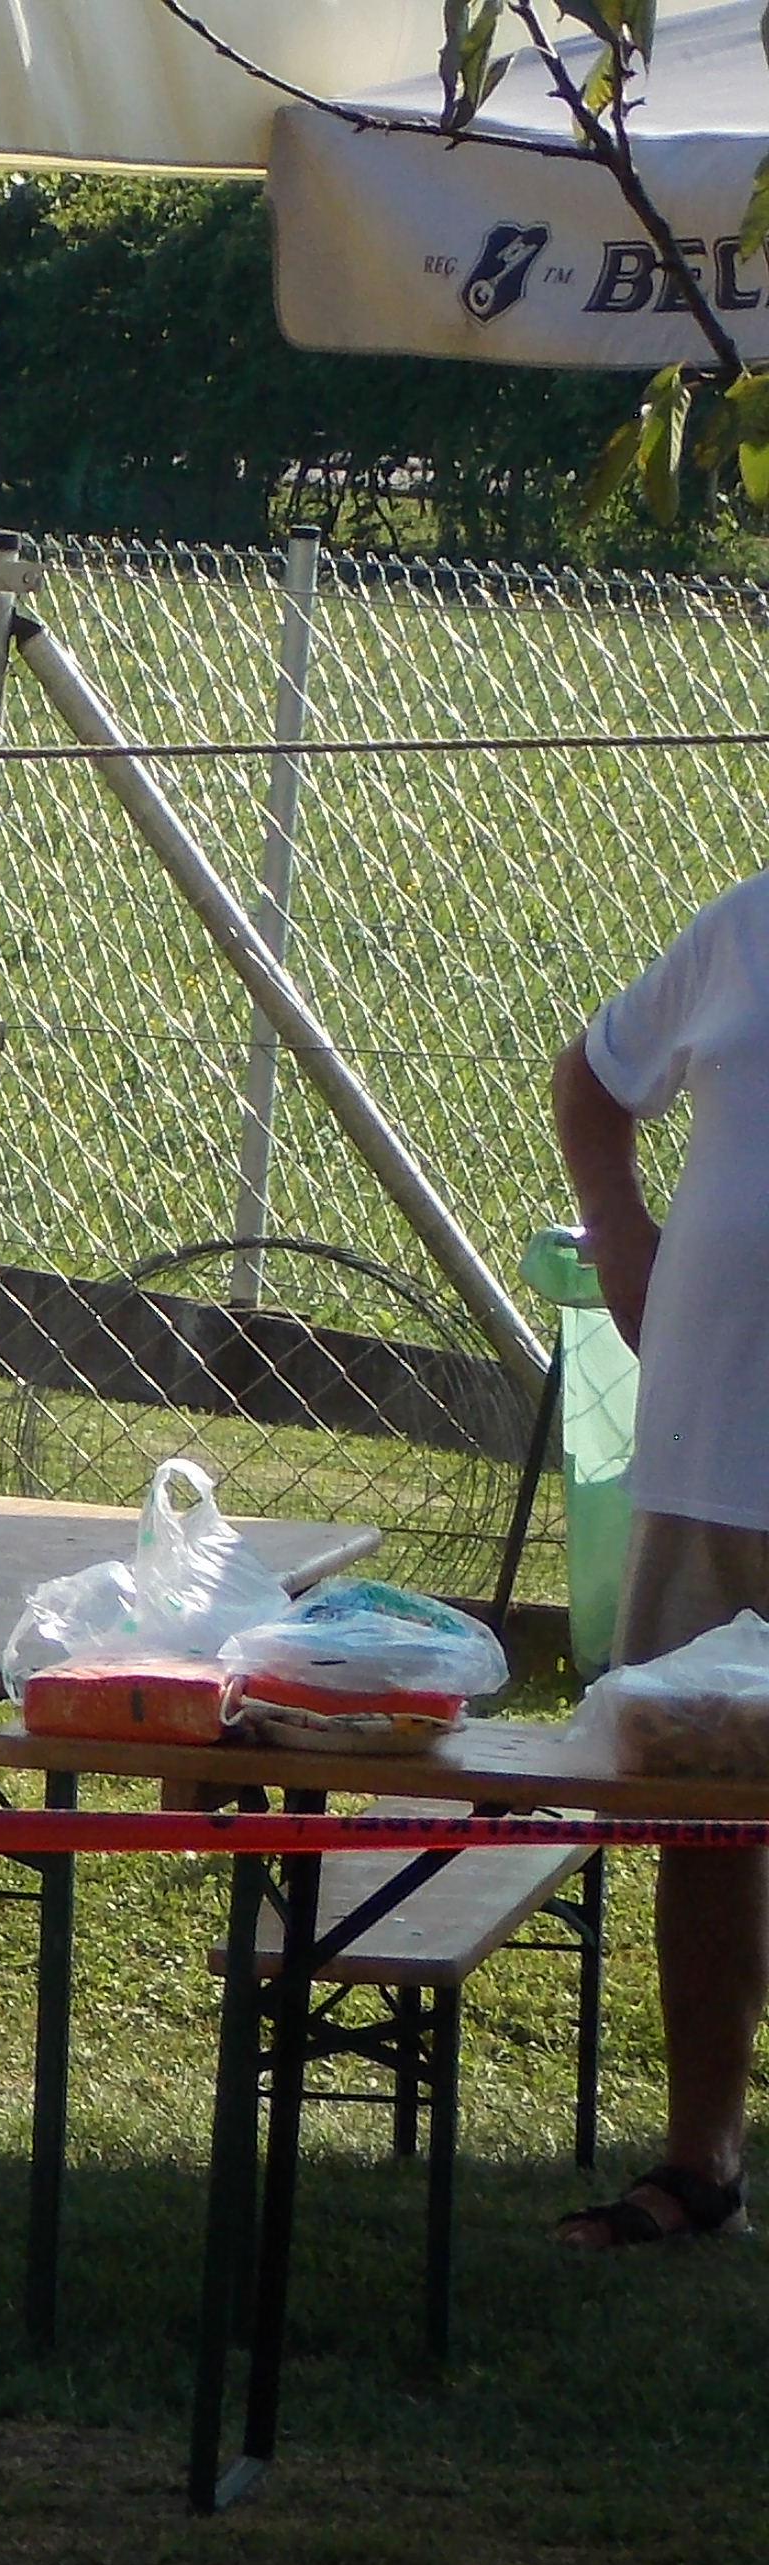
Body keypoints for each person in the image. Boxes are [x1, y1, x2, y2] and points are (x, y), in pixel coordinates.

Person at [553, 896, 769, 2245]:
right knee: (703, 1814)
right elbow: (593, 1076)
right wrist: (619, 1229)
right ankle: (703, 2164)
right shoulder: (747, 928)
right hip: (711, 1452)